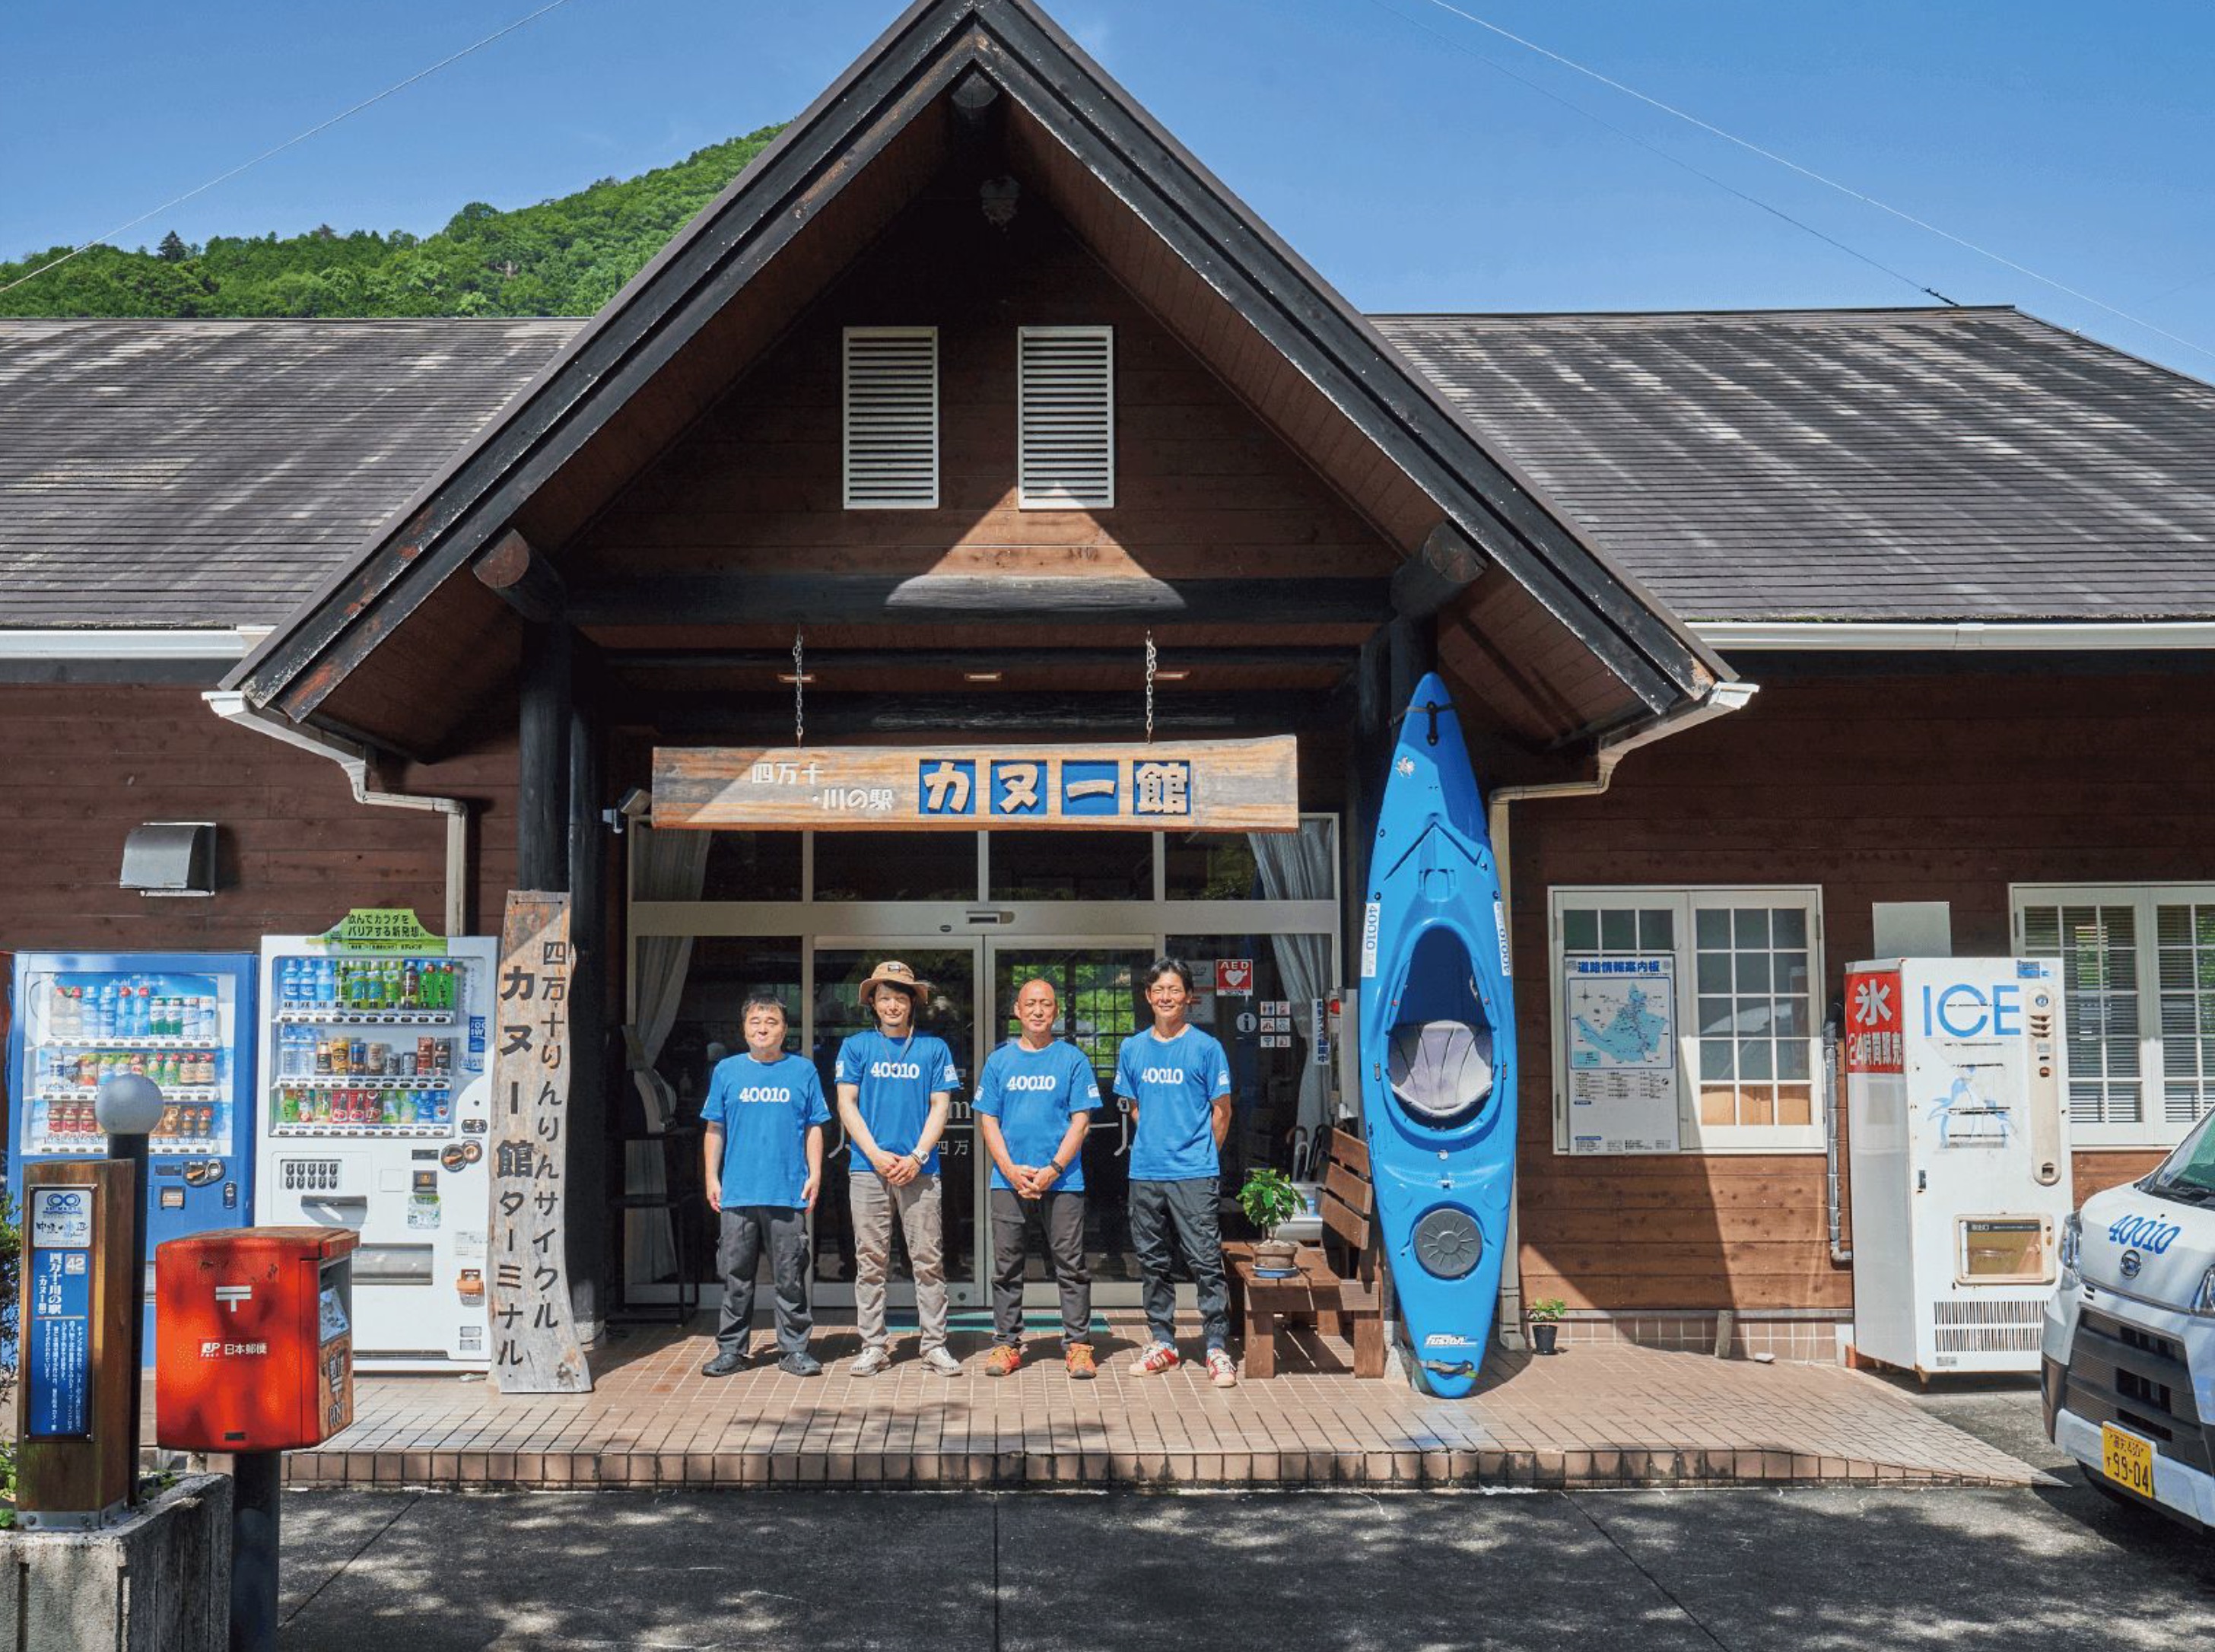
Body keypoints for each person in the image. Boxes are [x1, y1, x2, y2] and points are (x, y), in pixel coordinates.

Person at [1115, 957, 1238, 1387]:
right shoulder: (1132, 1049)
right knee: (1153, 1260)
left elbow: (1222, 1112)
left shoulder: (1206, 1048)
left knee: (1204, 1260)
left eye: (1174, 990)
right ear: (1148, 997)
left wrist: (1201, 1154)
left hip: (1194, 1173)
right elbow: (1134, 1107)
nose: (1166, 997)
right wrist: (1157, 1141)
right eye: (1158, 990)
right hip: (1146, 1171)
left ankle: (1216, 1346)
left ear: (1189, 997)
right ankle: (1163, 1342)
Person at [836, 959, 961, 1376]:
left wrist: (918, 1156)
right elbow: (846, 1104)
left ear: (912, 1003)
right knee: (871, 1261)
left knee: (928, 1260)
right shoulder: (856, 1047)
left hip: (919, 1169)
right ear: (873, 1003)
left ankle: (935, 1345)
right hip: (867, 1168)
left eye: (900, 999)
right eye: (884, 998)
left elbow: (940, 1106)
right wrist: (874, 1154)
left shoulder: (933, 1049)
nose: (892, 1005)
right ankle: (873, 1345)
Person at [974, 977, 1099, 1380]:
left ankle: (1078, 1345)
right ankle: (1007, 1344)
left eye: (1046, 1003)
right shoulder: (999, 1061)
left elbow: (1081, 1121)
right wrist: (1011, 1170)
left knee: (1071, 1265)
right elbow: (988, 1120)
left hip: (1063, 1180)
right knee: (1007, 1266)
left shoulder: (1073, 1060)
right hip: (1008, 1180)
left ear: (1056, 1011)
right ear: (1017, 1011)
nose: (1038, 1011)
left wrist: (1053, 1169)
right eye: (1030, 1004)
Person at [699, 991, 827, 1378]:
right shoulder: (727, 1071)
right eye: (755, 1022)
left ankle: (794, 1349)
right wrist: (711, 1177)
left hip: (787, 1190)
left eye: (772, 1022)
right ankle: (731, 1350)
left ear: (784, 1030)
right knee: (735, 1277)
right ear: (744, 1029)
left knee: (790, 1275)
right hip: (738, 1192)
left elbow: (814, 1126)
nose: (763, 1029)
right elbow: (715, 1128)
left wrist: (815, 1174)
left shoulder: (803, 1071)